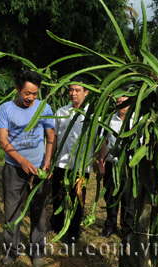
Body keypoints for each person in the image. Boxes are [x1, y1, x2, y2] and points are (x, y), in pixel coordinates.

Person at [0, 69, 55, 267]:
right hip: (14, 167)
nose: (31, 97)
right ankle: (12, 250)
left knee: (39, 210)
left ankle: (37, 251)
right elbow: (3, 140)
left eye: (34, 93)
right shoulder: (5, 109)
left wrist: (47, 161)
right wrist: (21, 160)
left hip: (39, 168)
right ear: (17, 89)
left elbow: (51, 137)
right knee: (12, 210)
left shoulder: (44, 107)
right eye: (27, 93)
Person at [48, 76, 95, 245]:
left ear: (86, 92)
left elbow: (100, 140)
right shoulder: (61, 112)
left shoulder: (94, 114)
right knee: (57, 195)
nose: (73, 93)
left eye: (77, 90)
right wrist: (50, 161)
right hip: (61, 162)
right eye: (71, 90)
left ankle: (74, 231)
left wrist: (100, 162)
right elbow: (54, 138)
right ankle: (56, 224)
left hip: (81, 165)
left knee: (77, 198)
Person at [98, 94, 135, 239]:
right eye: (118, 102)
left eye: (123, 102)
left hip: (129, 166)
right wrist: (101, 162)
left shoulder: (136, 121)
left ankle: (127, 229)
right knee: (110, 197)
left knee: (128, 199)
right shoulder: (108, 120)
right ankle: (110, 226)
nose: (119, 104)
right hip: (111, 165)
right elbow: (104, 142)